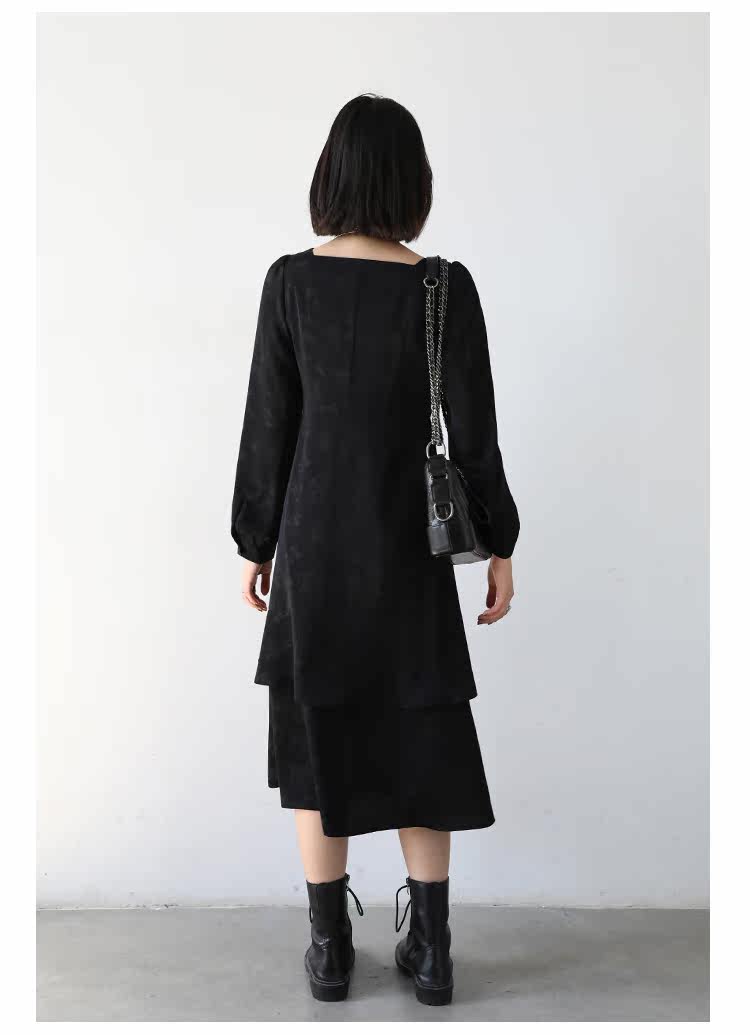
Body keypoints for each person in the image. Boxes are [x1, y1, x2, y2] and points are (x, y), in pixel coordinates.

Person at [231, 93, 519, 1007]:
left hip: (315, 550)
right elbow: (474, 434)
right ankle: (431, 954)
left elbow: (269, 425)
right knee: (422, 739)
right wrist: (500, 541)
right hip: (410, 553)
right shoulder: (443, 287)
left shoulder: (290, 282)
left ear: (332, 175)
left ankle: (329, 952)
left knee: (319, 741)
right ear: (411, 182)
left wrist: (256, 539)